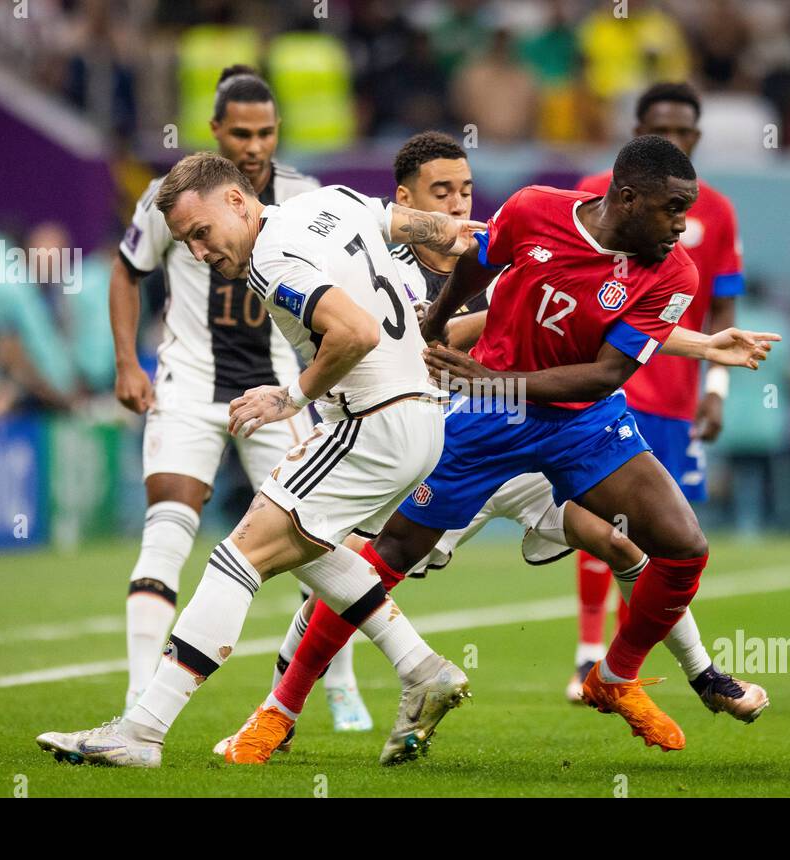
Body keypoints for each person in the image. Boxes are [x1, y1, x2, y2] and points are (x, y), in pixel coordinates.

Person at [214, 131, 773, 764]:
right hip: (481, 420)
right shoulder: (534, 209)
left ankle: (616, 676)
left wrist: (492, 377)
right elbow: (481, 263)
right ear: (627, 197)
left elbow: (606, 373)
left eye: (687, 207)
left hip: (579, 420)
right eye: (673, 208)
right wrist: (436, 321)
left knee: (680, 546)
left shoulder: (674, 271)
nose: (683, 224)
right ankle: (278, 711)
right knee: (382, 555)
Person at [36, 152, 486, 768]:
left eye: (202, 233)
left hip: (372, 422)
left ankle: (141, 732)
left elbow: (355, 332)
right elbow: (428, 227)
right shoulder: (332, 201)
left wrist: (290, 395)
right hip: (418, 422)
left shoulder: (270, 262)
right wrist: (480, 238)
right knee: (316, 554)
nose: (199, 254)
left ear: (238, 202)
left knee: (236, 559)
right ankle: (423, 668)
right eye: (186, 244)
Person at [108, 66, 372, 732]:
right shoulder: (170, 200)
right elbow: (126, 270)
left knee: (314, 542)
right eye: (241, 134)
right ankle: (141, 696)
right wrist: (124, 363)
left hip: (276, 393)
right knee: (166, 535)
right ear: (216, 133)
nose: (255, 146)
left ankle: (338, 684)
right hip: (188, 387)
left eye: (266, 133)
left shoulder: (305, 197)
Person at [569, 82, 747, 703]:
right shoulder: (595, 194)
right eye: (661, 130)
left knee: (672, 536)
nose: (675, 141)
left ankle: (622, 666)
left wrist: (717, 385)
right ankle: (589, 653)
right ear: (639, 129)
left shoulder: (715, 211)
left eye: (685, 132)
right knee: (605, 525)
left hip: (676, 395)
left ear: (698, 138)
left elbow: (723, 302)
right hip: (606, 386)